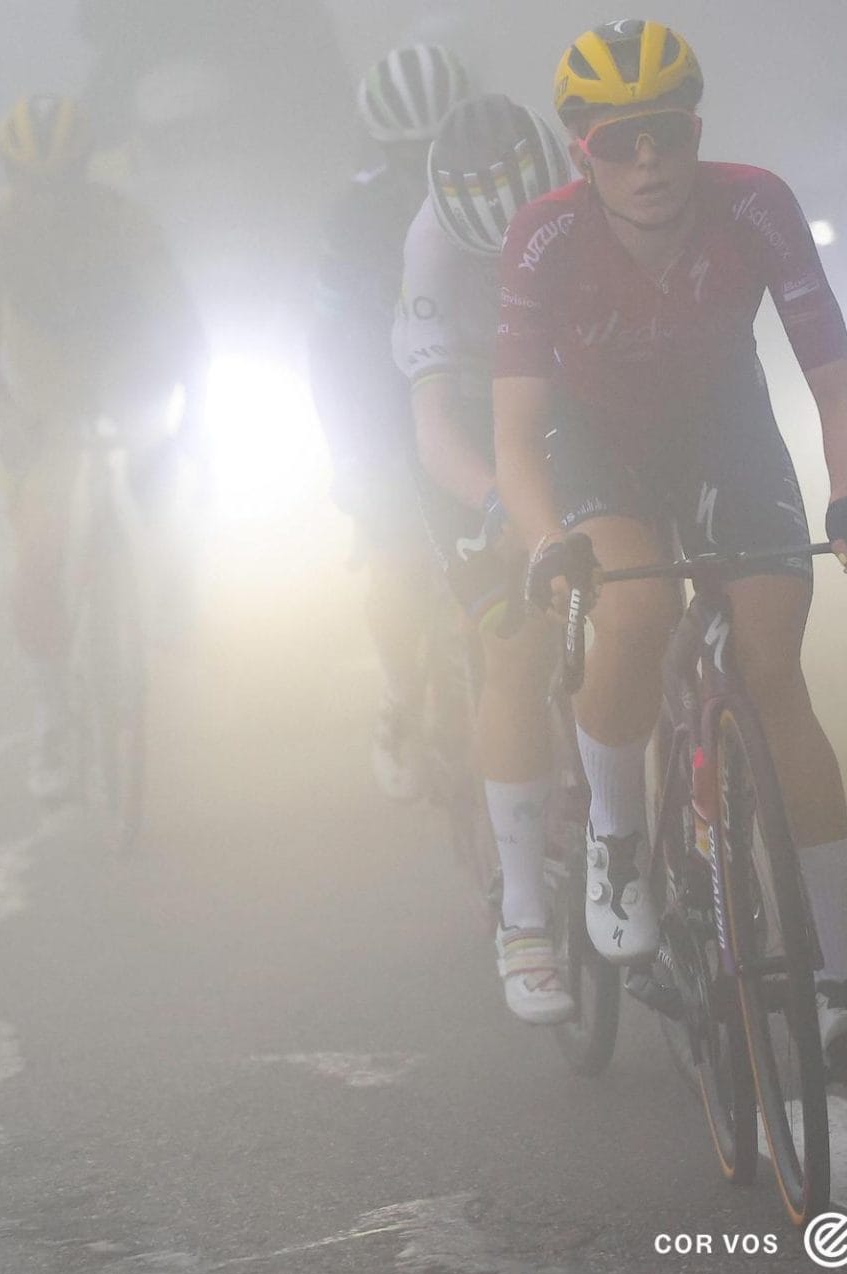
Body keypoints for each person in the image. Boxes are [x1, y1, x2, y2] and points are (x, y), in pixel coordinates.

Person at [490, 20, 847, 1071]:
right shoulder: (542, 235)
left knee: (771, 672)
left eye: (665, 135)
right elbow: (512, 427)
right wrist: (543, 542)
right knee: (634, 610)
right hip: (596, 444)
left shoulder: (755, 202)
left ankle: (836, 979)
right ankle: (618, 847)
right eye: (620, 143)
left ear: (696, 131)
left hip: (724, 428)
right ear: (583, 150)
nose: (649, 163)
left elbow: (837, 383)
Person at [0, 94, 208, 800]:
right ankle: (54, 716)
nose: (49, 199)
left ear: (85, 171)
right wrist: (11, 420)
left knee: (171, 475)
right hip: (41, 387)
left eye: (64, 181)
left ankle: (171, 586)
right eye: (34, 184)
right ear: (11, 177)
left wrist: (188, 411)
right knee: (37, 553)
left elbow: (182, 327)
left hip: (123, 365)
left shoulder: (126, 221)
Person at [396, 94, 578, 1022]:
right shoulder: (431, 241)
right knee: (514, 645)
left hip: (568, 387)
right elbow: (432, 430)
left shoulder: (594, 187)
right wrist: (503, 505)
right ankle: (524, 916)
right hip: (471, 418)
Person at [309, 44, 468, 801]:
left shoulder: (495, 186)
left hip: (475, 394)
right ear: (381, 146)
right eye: (406, 152)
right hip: (380, 404)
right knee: (397, 566)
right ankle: (402, 698)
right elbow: (329, 346)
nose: (420, 166)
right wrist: (349, 458)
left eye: (433, 148)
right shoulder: (353, 213)